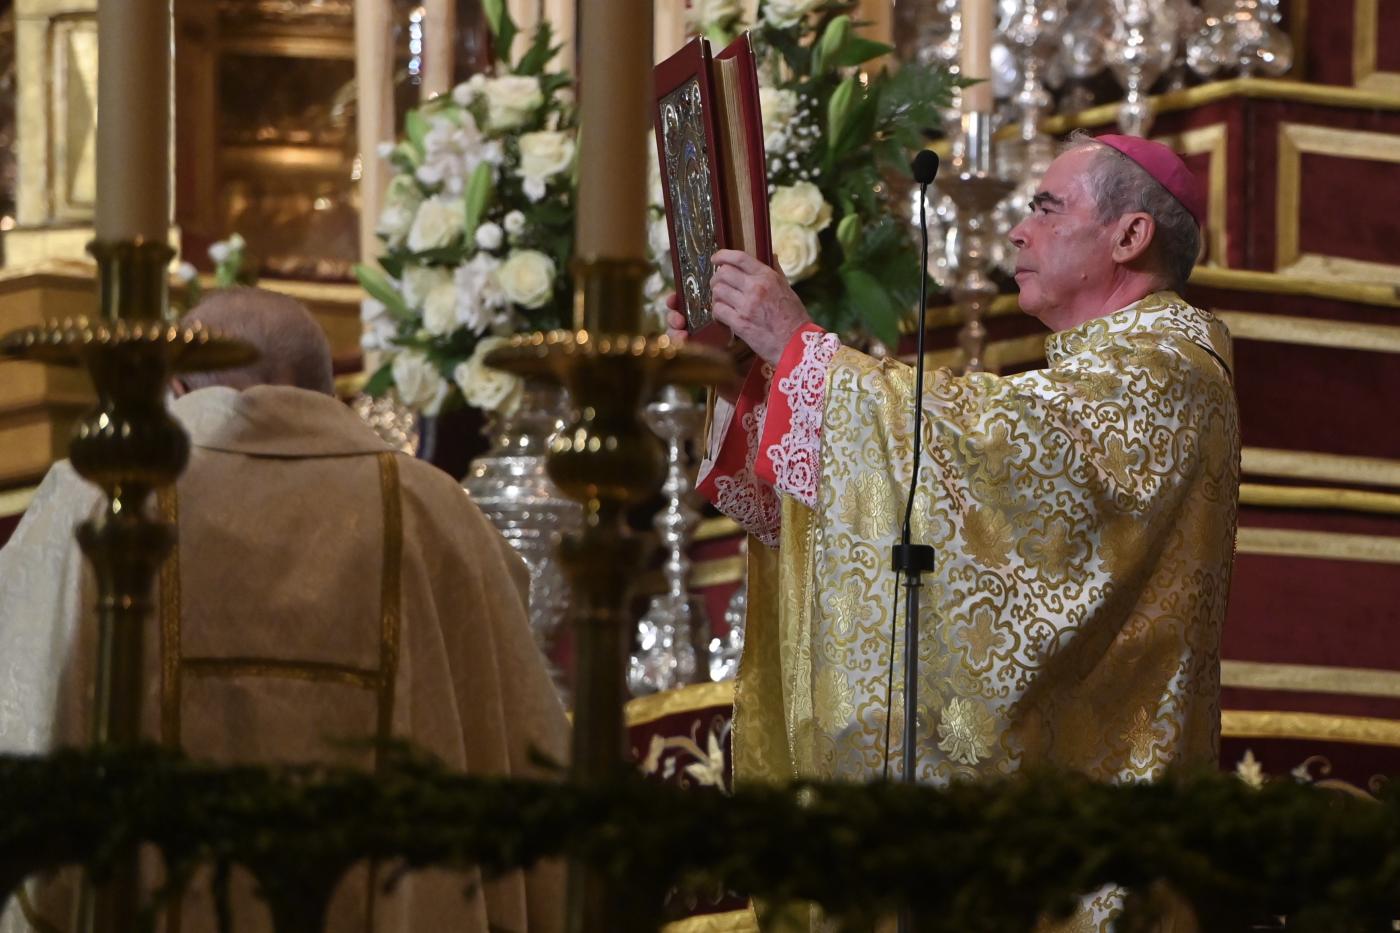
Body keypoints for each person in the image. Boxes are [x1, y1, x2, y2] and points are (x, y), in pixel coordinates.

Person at [674, 127, 1239, 811]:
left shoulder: (1167, 366)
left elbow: (991, 448)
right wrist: (757, 370)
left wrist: (800, 350)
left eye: (1047, 209)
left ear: (1130, 237)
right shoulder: (1117, 365)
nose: (1019, 232)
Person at [0, 287, 567, 933]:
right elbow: (519, 749)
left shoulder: (103, 496)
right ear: (327, 390)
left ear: (177, 387)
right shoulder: (434, 512)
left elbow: (22, 705)